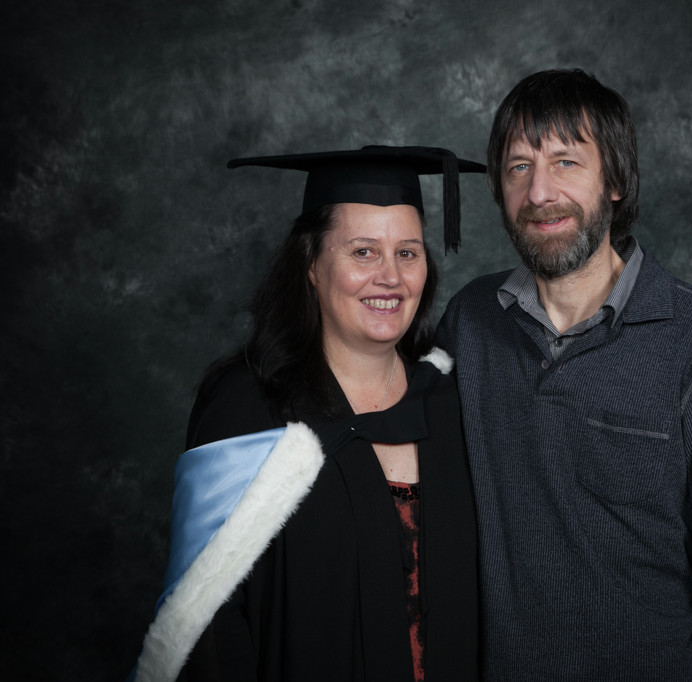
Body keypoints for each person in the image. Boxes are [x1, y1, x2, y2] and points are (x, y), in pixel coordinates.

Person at [436, 69, 692, 680]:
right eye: (519, 167)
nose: (539, 191)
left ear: (615, 180)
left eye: (566, 162)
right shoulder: (470, 323)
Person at [133, 146, 484, 681]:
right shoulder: (249, 411)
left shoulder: (453, 402)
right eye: (363, 252)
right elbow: (205, 626)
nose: (391, 277)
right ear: (311, 266)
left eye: (407, 253)